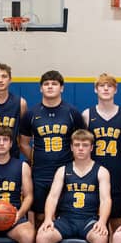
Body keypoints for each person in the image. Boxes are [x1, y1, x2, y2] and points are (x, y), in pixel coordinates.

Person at [32, 129, 112, 243]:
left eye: (85, 145)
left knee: (101, 239)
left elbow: (106, 199)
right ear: (71, 147)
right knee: (42, 237)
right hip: (66, 221)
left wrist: (102, 221)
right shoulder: (63, 170)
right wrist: (48, 219)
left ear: (92, 147)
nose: (81, 148)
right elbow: (52, 197)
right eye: (77, 145)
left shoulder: (101, 171)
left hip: (88, 220)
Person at [20, 70, 86, 226]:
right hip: (40, 173)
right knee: (40, 216)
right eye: (46, 84)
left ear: (61, 88)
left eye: (54, 84)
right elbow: (23, 143)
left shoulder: (72, 113)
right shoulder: (31, 114)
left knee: (65, 216)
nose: (50, 87)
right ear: (40, 88)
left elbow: (82, 142)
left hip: (66, 172)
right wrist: (36, 158)